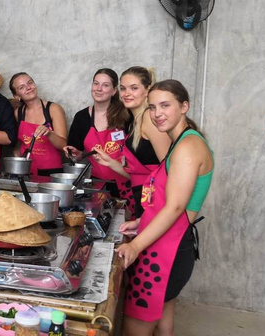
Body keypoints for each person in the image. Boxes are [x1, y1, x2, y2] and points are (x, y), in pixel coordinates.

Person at [116, 80, 214, 336]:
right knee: (163, 321)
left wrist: (135, 245)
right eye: (152, 107)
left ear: (184, 106)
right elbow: (170, 201)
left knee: (135, 327)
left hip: (166, 251)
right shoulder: (179, 141)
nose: (157, 113)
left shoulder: (187, 147)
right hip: (167, 243)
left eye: (165, 105)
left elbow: (175, 207)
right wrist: (142, 221)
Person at [93, 67, 171, 217]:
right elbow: (139, 174)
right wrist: (110, 163)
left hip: (155, 199)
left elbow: (168, 168)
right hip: (142, 196)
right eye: (123, 88)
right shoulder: (135, 121)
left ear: (148, 90)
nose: (126, 94)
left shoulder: (149, 118)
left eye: (134, 88)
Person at [64, 68, 135, 215]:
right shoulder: (82, 117)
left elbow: (137, 151)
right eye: (96, 83)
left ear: (114, 90)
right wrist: (76, 154)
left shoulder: (127, 115)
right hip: (97, 187)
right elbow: (76, 155)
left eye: (105, 85)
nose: (99, 89)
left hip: (126, 184)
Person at [8, 72, 67, 179]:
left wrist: (49, 133)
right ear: (17, 96)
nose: (28, 88)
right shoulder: (18, 113)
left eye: (30, 83)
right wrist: (16, 157)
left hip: (51, 172)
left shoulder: (53, 109)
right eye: (22, 87)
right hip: (26, 172)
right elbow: (19, 144)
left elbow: (64, 145)